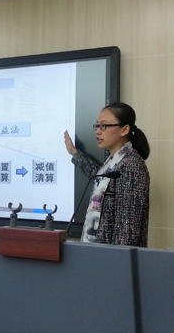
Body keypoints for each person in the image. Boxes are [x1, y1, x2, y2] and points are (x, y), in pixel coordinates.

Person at [64, 102, 150, 247]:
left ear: (124, 130)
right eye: (97, 126)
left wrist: (116, 259)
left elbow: (128, 228)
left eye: (104, 126)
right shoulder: (114, 160)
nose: (98, 131)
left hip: (112, 257)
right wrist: (75, 153)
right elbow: (100, 178)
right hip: (99, 253)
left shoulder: (132, 165)